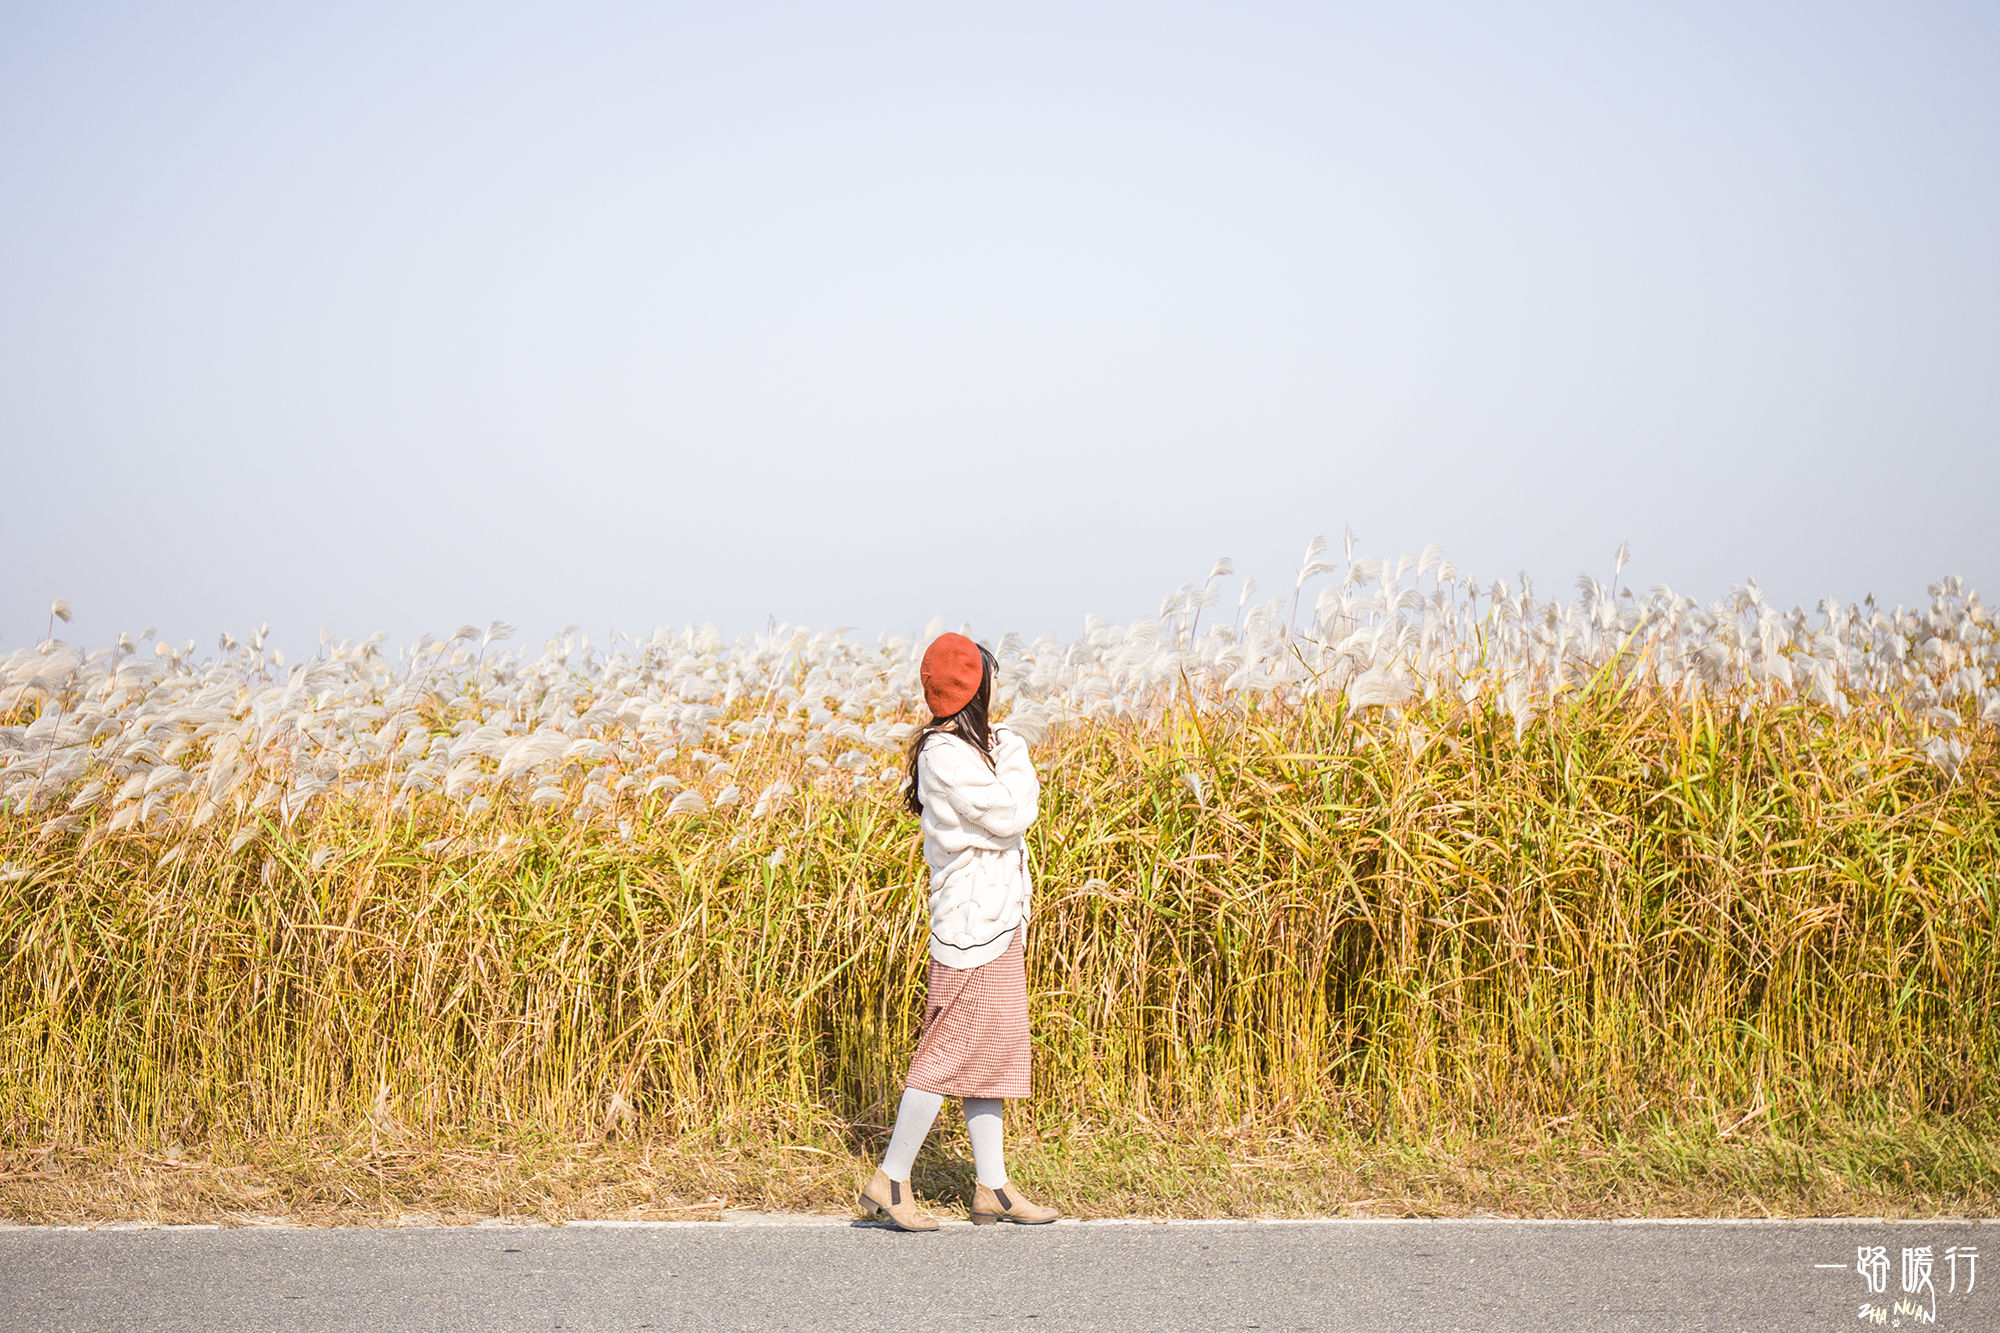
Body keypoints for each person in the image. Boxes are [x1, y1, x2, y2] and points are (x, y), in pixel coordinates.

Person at [856, 631, 1060, 1231]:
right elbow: (1013, 813)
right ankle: (890, 1180)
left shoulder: (982, 746)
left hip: (999, 921)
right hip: (970, 926)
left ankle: (992, 1189)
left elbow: (1009, 814)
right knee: (945, 1052)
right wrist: (1018, 757)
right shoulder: (946, 753)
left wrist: (1009, 756)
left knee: (993, 1053)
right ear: (977, 687)